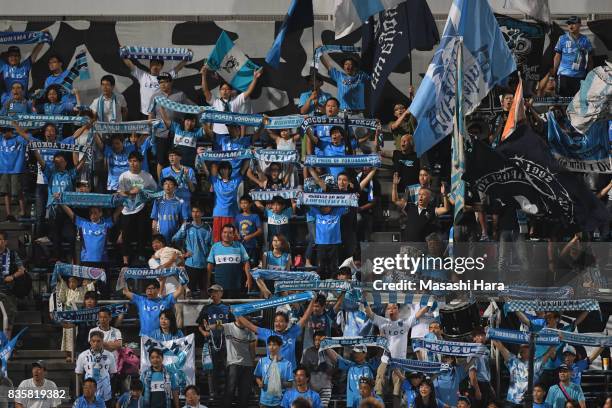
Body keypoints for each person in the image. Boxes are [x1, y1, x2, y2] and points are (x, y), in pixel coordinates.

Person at [364, 301, 430, 408]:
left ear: (398, 310)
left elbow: (418, 314)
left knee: (397, 388)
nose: (391, 310)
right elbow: (369, 314)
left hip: (400, 360)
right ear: (386, 311)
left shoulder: (405, 322)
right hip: (385, 358)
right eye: (389, 308)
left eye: (394, 308)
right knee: (379, 383)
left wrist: (429, 305)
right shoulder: (382, 321)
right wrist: (364, 302)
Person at [238, 301, 315, 371]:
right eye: (276, 321)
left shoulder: (292, 332)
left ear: (287, 323)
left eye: (281, 321)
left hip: (290, 373)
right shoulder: (268, 333)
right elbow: (249, 325)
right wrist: (237, 314)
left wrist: (313, 300)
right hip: (273, 373)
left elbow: (305, 318)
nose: (278, 324)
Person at [200, 65, 262, 150]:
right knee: (219, 160)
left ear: (231, 91)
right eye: (222, 89)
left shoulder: (235, 101)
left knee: (232, 160)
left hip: (233, 136)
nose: (225, 91)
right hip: (218, 135)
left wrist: (255, 78)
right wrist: (203, 75)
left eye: (227, 89)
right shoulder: (215, 101)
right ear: (219, 91)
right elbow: (205, 91)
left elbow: (248, 92)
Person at [147, 72, 194, 177]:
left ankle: (175, 184)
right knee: (161, 161)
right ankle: (161, 184)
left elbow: (192, 108)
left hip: (177, 134)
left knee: (176, 160)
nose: (163, 84)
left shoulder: (180, 95)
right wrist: (150, 132)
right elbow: (151, 114)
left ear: (171, 82)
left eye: (165, 82)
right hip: (160, 134)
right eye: (161, 82)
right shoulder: (155, 96)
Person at [117, 151, 157, 266]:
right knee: (126, 235)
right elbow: (120, 193)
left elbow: (154, 191)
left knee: (142, 233)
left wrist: (143, 193)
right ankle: (125, 260)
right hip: (127, 209)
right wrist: (131, 192)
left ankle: (141, 255)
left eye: (135, 161)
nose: (133, 163)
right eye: (131, 161)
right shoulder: (124, 176)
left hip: (141, 208)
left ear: (140, 162)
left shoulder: (147, 176)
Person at [492, 340, 557, 406]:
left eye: (529, 348)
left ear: (533, 352)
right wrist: (491, 333)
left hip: (527, 403)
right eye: (524, 349)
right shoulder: (514, 361)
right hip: (511, 401)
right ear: (520, 352)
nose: (527, 351)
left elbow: (549, 353)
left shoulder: (537, 364)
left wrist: (557, 340)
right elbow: (501, 348)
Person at [121, 54, 188, 118]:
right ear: (150, 65)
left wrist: (186, 58)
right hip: (144, 113)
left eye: (158, 65)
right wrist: (123, 54)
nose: (155, 67)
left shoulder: (165, 77)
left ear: (161, 67)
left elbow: (177, 69)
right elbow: (130, 65)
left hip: (159, 113)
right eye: (153, 64)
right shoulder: (143, 76)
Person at [196, 284, 232, 400]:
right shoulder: (206, 308)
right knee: (211, 369)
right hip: (211, 342)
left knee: (228, 368)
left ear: (221, 293)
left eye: (215, 292)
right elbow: (200, 325)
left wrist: (215, 326)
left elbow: (234, 324)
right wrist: (204, 332)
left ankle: (228, 392)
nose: (213, 295)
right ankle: (213, 394)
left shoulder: (228, 308)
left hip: (226, 342)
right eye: (211, 292)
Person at [172, 204, 212, 296]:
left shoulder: (208, 228)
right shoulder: (186, 227)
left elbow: (212, 245)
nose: (195, 214)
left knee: (204, 292)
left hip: (204, 265)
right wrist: (183, 253)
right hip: (190, 264)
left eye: (197, 211)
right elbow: (174, 240)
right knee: (189, 292)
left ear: (202, 213)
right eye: (193, 211)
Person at [391, 177, 449, 242]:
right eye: (419, 194)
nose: (420, 196)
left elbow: (446, 209)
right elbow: (395, 200)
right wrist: (394, 185)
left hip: (421, 247)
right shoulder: (410, 206)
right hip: (406, 245)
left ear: (429, 198)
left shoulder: (431, 210)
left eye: (423, 195)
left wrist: (444, 195)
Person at [207, 160, 250, 242]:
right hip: (218, 214)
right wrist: (201, 157)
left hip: (232, 214)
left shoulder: (235, 180)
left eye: (226, 169)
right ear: (219, 170)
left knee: (233, 239)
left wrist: (249, 156)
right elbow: (209, 168)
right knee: (218, 239)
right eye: (222, 169)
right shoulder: (215, 181)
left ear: (230, 170)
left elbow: (243, 170)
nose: (224, 171)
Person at [206, 224, 252, 299]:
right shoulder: (215, 247)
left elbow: (246, 263)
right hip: (219, 287)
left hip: (236, 286)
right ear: (221, 234)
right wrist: (207, 281)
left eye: (230, 233)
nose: (227, 235)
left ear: (234, 235)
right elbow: (209, 266)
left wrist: (249, 279)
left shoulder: (239, 246)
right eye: (224, 232)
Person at [221, 312, 257, 408]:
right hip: (233, 364)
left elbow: (252, 348)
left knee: (245, 393)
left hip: (248, 365)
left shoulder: (250, 329)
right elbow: (217, 327)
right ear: (236, 317)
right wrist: (209, 327)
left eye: (245, 316)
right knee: (230, 391)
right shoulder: (228, 326)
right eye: (241, 316)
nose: (243, 318)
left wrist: (252, 363)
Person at [75, 331, 117, 408]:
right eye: (93, 341)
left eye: (98, 341)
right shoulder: (83, 355)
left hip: (105, 391)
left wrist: (103, 381)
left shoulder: (110, 355)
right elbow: (79, 373)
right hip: (89, 392)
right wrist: (86, 386)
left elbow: (112, 373)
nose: (96, 343)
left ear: (102, 341)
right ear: (90, 342)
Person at [553, 16, 593, 97]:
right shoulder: (562, 38)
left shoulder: (585, 40)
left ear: (579, 25)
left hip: (580, 76)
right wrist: (554, 72)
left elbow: (590, 60)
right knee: (562, 100)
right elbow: (557, 56)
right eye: (569, 24)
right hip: (564, 75)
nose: (571, 26)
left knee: (577, 101)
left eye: (574, 24)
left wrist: (589, 75)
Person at [1, 124, 33, 221]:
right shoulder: (0, 139)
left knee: (18, 192)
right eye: (2, 131)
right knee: (6, 192)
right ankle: (9, 214)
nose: (3, 134)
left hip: (16, 169)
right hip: (3, 169)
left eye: (5, 131)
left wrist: (19, 129)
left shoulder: (19, 138)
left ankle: (23, 211)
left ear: (11, 132)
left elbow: (29, 137)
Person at [254, 335, 294, 408]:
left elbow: (290, 384)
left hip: (280, 402)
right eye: (269, 345)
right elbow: (257, 376)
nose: (271, 347)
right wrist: (259, 383)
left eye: (274, 345)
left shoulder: (287, 364)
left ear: (280, 346)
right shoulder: (262, 361)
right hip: (264, 401)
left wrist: (279, 382)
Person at [0, 230, 25, 339]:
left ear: (5, 242)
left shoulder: (12, 254)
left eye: (0, 240)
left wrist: (13, 276)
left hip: (7, 291)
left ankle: (6, 346)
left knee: (9, 318)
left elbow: (22, 270)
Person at [301, 331, 334, 408]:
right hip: (311, 386)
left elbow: (332, 369)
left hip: (325, 386)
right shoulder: (307, 351)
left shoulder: (330, 352)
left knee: (323, 406)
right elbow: (303, 368)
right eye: (316, 340)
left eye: (320, 340)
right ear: (313, 341)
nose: (317, 342)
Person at [151, 177, 189, 242]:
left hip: (175, 237)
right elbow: (155, 220)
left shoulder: (181, 202)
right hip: (161, 237)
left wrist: (179, 235)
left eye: (170, 184)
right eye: (165, 184)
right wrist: (155, 234)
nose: (168, 186)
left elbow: (184, 221)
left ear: (175, 187)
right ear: (163, 187)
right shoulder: (157, 201)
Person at [234, 195, 263, 267]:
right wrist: (237, 235)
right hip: (241, 245)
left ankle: (252, 278)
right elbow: (235, 228)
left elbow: (260, 230)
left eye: (245, 203)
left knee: (252, 265)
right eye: (241, 203)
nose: (243, 205)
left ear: (250, 204)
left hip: (252, 245)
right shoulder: (238, 216)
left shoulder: (255, 216)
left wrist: (250, 236)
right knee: (241, 265)